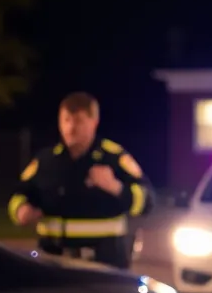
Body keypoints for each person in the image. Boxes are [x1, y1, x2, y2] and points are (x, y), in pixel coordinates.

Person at [8, 92, 155, 269]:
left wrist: (116, 187)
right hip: (52, 264)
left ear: (94, 122)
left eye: (78, 121)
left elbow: (148, 202)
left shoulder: (113, 157)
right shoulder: (45, 161)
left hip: (104, 265)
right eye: (66, 120)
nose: (71, 128)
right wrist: (21, 210)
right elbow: (18, 194)